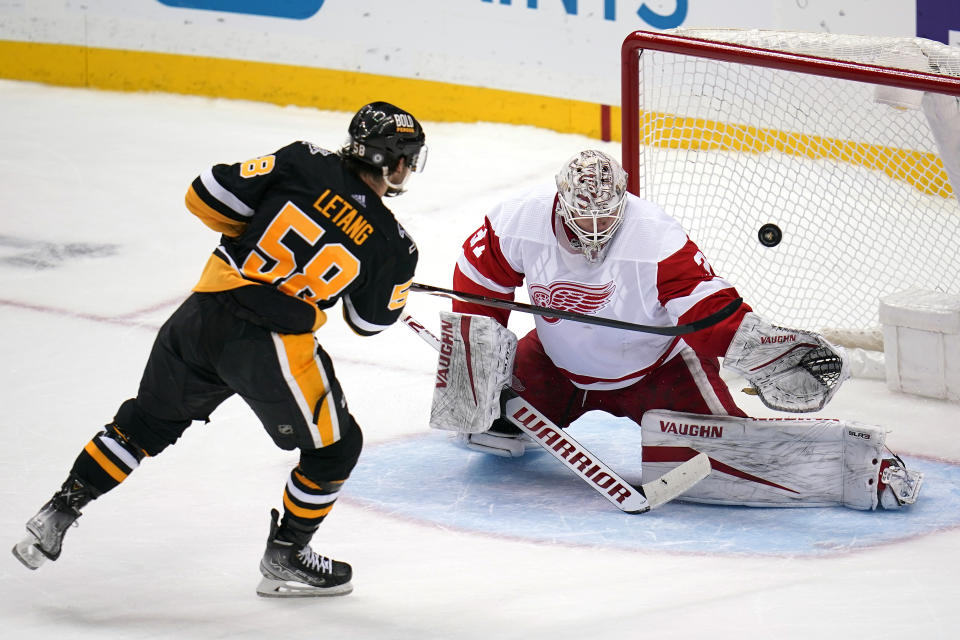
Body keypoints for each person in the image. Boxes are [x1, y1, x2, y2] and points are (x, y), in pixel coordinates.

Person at [12, 101, 427, 597]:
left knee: (145, 423)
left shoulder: (301, 159)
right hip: (272, 347)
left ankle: (60, 509)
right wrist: (383, 278)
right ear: (396, 162)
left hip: (202, 314)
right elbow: (367, 321)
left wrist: (254, 235)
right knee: (336, 448)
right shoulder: (392, 243)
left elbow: (204, 197)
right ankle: (287, 554)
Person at [433, 149, 923, 511]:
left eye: (609, 213)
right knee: (490, 422)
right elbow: (477, 297)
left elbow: (709, 312)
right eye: (586, 213)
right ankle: (513, 408)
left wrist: (765, 351)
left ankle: (861, 466)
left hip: (660, 374)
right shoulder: (516, 222)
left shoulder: (655, 236)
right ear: (560, 200)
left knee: (736, 453)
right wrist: (470, 386)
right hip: (555, 364)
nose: (598, 225)